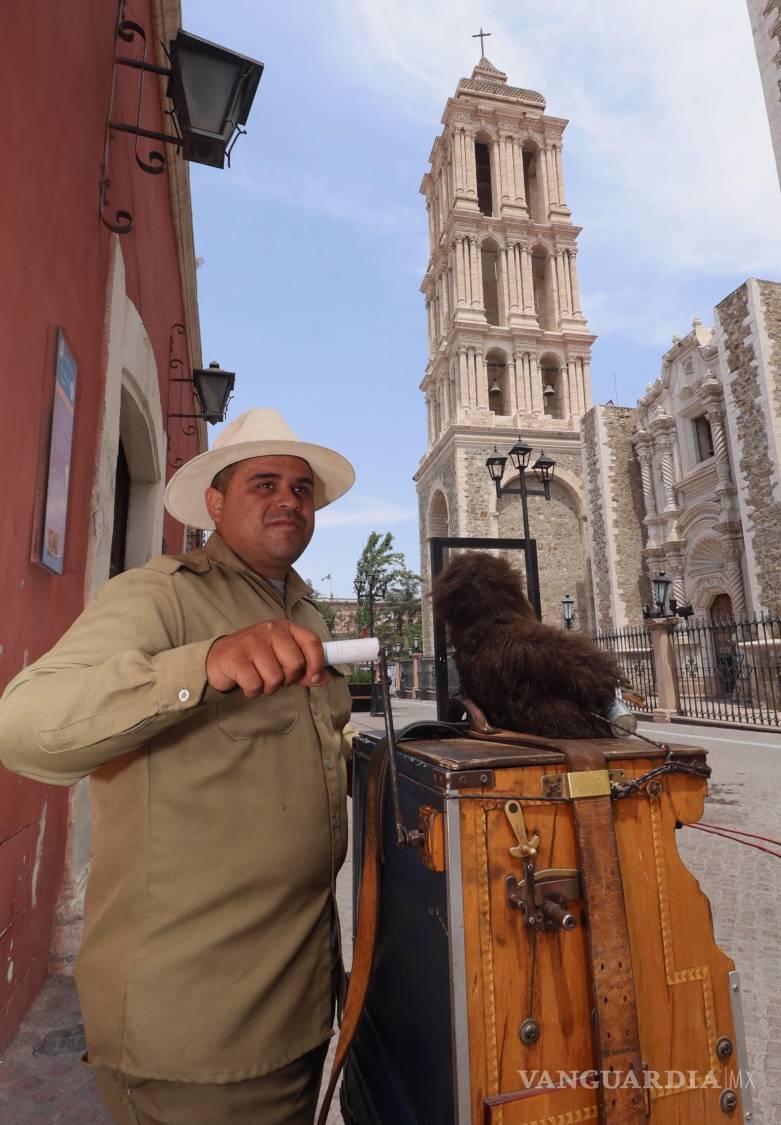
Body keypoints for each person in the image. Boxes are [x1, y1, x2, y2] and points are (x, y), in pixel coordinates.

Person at [0, 408, 357, 1125]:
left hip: (301, 1005)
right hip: (197, 1030)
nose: (289, 500)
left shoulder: (308, 617)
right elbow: (24, 726)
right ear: (215, 504)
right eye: (264, 484)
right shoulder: (161, 593)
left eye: (301, 488)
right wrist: (205, 663)